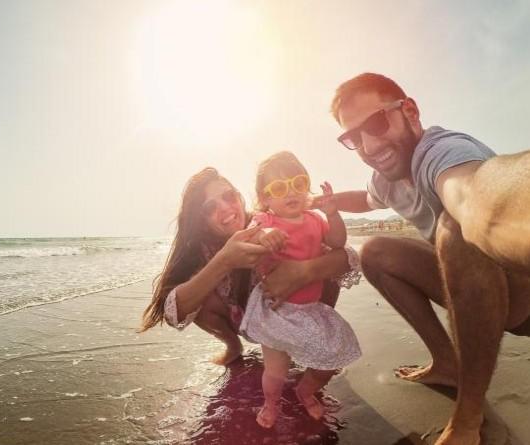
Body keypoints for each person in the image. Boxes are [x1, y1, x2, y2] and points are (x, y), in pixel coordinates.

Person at [322, 72, 530, 445]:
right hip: (479, 293)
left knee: (456, 229)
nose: (368, 145)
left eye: (376, 123)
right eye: (353, 137)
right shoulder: (385, 176)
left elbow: (472, 192)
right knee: (376, 252)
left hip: (522, 297)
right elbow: (367, 200)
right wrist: (332, 202)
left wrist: (500, 210)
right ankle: (447, 364)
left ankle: (468, 419)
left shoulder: (442, 152)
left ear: (410, 111)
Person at [140, 167, 361, 367]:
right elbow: (172, 311)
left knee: (323, 258)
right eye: (210, 208)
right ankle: (233, 345)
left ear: (240, 197)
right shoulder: (199, 248)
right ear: (200, 220)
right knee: (199, 292)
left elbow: (349, 256)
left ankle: (318, 335)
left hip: (295, 311)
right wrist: (224, 261)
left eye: (229, 197)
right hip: (243, 319)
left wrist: (303, 271)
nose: (227, 209)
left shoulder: (267, 221)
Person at [239, 151, 361, 428]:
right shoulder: (266, 220)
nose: (290, 191)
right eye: (279, 188)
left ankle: (305, 390)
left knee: (329, 359)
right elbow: (253, 233)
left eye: (298, 182)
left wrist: (333, 213)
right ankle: (271, 402)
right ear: (266, 198)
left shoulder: (315, 218)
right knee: (276, 369)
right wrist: (265, 236)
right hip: (276, 310)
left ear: (307, 186)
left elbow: (338, 241)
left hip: (310, 309)